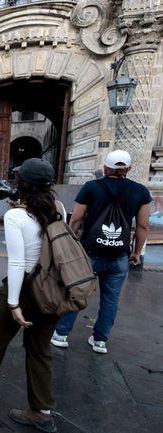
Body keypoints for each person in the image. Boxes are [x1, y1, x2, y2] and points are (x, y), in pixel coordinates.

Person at [0, 158, 64, 433]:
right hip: (52, 291)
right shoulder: (60, 209)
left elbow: (18, 263)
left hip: (23, 291)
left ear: (21, 185)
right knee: (41, 352)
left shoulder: (15, 216)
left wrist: (13, 303)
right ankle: (43, 411)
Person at [50, 150, 151, 354]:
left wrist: (70, 244)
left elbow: (76, 219)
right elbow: (143, 226)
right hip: (119, 256)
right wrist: (137, 253)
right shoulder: (140, 191)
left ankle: (61, 334)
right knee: (111, 299)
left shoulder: (92, 187)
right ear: (129, 169)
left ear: (105, 168)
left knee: (76, 290)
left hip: (90, 253)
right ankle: (100, 341)